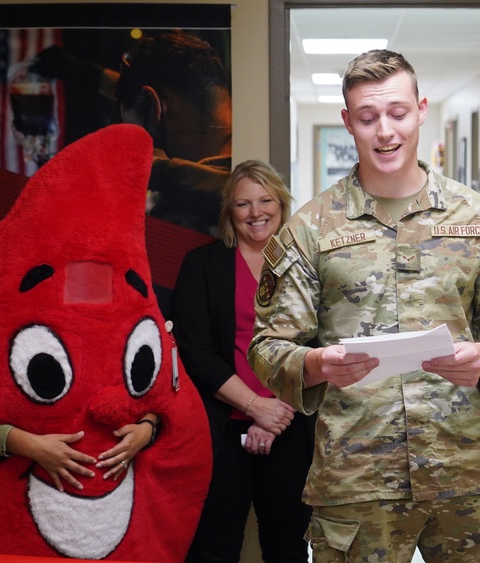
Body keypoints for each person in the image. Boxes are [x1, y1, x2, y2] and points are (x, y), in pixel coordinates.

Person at [248, 50, 480, 563]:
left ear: (421, 110)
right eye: (367, 117)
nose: (385, 132)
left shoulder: (479, 218)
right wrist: (316, 364)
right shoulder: (312, 228)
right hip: (358, 478)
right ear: (347, 122)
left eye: (398, 113)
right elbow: (268, 348)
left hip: (466, 469)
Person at [172, 160, 314, 562]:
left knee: (286, 548)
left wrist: (276, 414)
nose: (256, 212)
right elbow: (196, 353)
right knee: (213, 548)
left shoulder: (306, 267)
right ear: (229, 212)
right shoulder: (202, 266)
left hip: (291, 427)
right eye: (243, 204)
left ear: (282, 205)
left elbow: (316, 345)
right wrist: (255, 408)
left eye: (266, 200)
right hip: (219, 430)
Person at [31, 29, 232, 237]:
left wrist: (150, 167)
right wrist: (89, 74)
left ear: (155, 107)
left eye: (137, 136)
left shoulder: (190, 217)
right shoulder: (261, 127)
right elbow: (159, 97)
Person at [0, 413, 159, 491]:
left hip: (118, 502)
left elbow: (160, 398)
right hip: (24, 496)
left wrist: (147, 428)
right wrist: (32, 446)